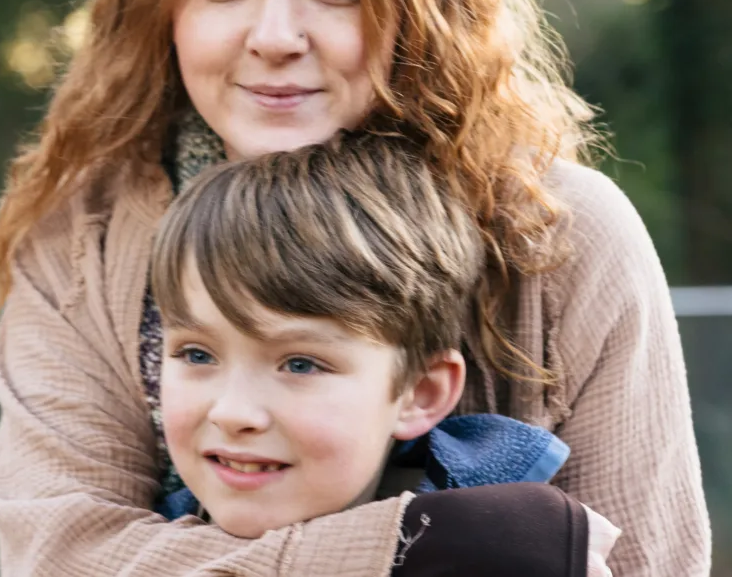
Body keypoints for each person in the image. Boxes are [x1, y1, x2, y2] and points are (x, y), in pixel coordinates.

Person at [0, 0, 710, 576]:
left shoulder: (564, 235)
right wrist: (413, 551)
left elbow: (647, 563)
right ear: (163, 2)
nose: (274, 35)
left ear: (417, 2)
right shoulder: (82, 240)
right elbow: (59, 555)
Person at [151, 132, 575, 532]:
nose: (232, 413)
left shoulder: (507, 544)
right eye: (197, 355)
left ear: (420, 393)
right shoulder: (141, 542)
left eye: (300, 364)